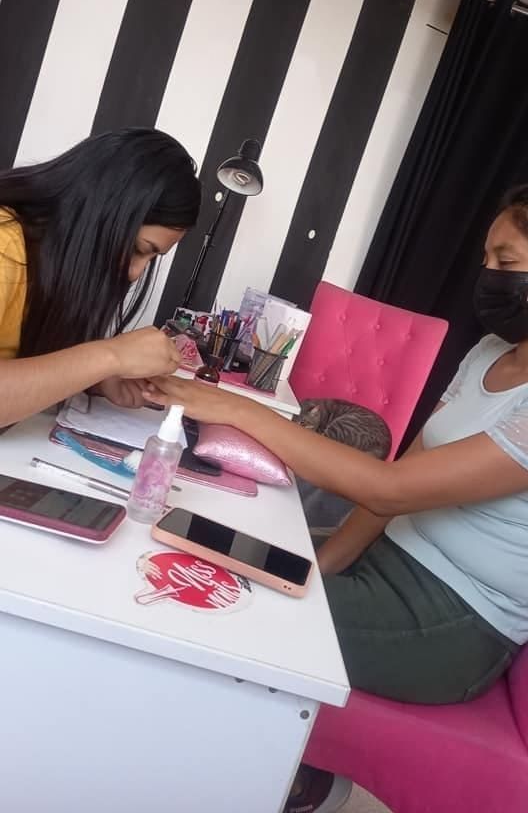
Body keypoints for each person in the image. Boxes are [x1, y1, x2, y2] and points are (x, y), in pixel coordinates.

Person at [144, 186, 528, 813]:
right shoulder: (488, 353)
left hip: (453, 621)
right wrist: (320, 564)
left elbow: (388, 485)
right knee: (202, 543)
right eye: (488, 259)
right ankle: (284, 777)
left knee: (225, 602)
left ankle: (260, 781)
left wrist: (237, 408)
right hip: (389, 561)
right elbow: (409, 476)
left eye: (508, 263)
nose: (489, 277)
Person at [0, 128, 201, 429]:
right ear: (101, 212)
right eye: (137, 249)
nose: (135, 273)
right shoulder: (5, 243)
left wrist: (97, 379)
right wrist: (110, 356)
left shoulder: (45, 264)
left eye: (150, 259)